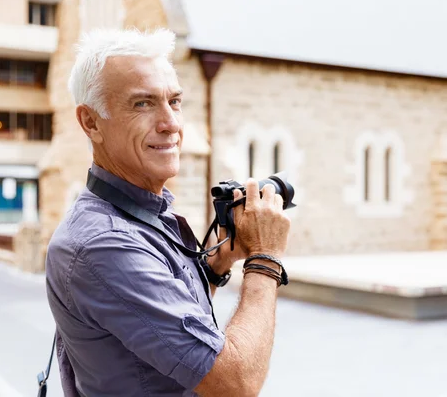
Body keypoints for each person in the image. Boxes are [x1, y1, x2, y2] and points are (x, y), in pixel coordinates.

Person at [45, 27, 291, 397]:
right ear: (91, 122)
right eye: (142, 104)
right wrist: (265, 259)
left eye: (174, 101)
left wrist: (217, 263)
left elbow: (159, 321)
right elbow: (236, 383)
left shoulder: (139, 213)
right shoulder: (105, 243)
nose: (172, 124)